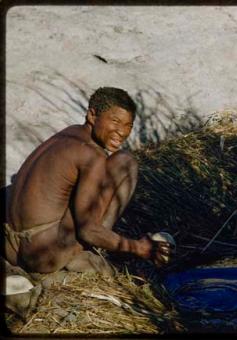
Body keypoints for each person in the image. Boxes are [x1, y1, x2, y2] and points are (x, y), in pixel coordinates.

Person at [3, 87, 173, 276]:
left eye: (129, 125)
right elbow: (87, 231)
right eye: (115, 121)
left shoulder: (69, 133)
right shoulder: (91, 155)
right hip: (42, 255)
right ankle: (97, 248)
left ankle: (101, 240)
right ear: (92, 115)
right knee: (126, 162)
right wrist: (139, 248)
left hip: (12, 245)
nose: (122, 132)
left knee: (115, 164)